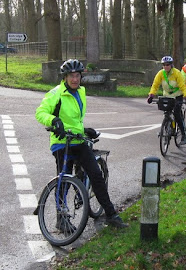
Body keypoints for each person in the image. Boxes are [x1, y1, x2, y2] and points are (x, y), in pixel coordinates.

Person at [35, 59, 128, 231]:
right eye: (71, 76)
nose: (75, 79)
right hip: (61, 142)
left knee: (96, 175)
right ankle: (61, 220)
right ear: (65, 77)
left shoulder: (81, 92)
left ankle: (111, 214)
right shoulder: (56, 93)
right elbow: (40, 112)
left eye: (77, 75)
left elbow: (74, 120)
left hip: (78, 140)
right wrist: (54, 120)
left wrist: (85, 130)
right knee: (64, 180)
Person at [147, 56, 186, 145]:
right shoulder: (160, 73)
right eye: (164, 65)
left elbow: (183, 86)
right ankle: (167, 128)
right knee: (166, 113)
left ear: (171, 65)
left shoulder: (177, 73)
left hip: (177, 95)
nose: (166, 66)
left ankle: (183, 135)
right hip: (167, 96)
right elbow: (155, 85)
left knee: (177, 114)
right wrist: (151, 95)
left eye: (168, 65)